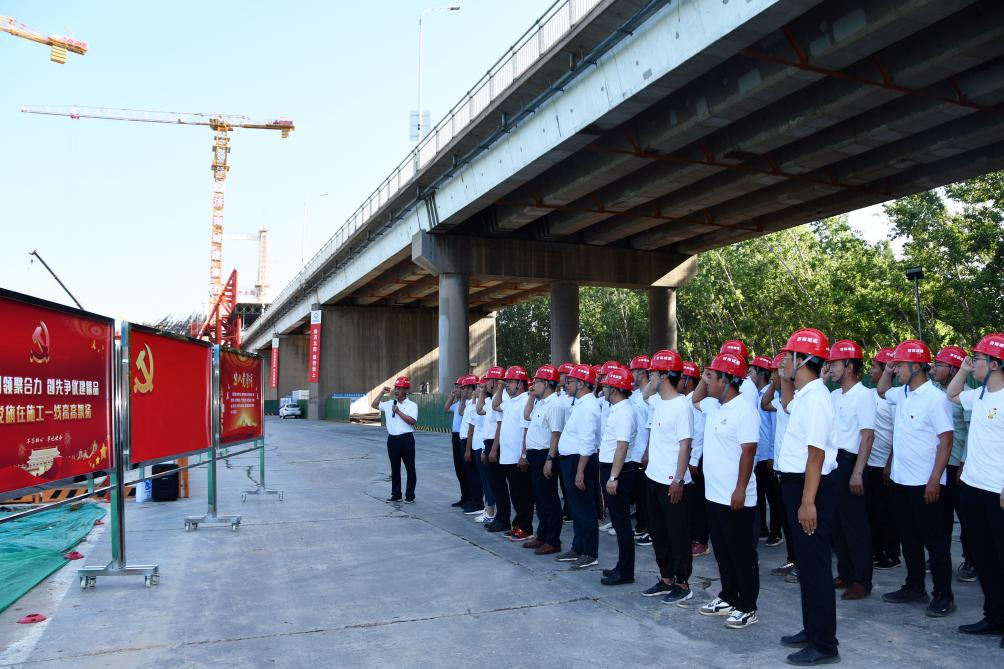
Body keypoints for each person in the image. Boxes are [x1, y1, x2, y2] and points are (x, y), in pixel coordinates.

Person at [775, 327, 840, 666]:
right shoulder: (805, 395)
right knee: (806, 563)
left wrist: (807, 501)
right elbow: (786, 402)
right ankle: (812, 629)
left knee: (815, 567)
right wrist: (784, 377)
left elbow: (816, 455)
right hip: (797, 485)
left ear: (803, 360)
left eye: (789, 356)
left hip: (809, 487)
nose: (784, 361)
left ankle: (824, 644)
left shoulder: (816, 399)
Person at [877, 339, 956, 618]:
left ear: (916, 367)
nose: (896, 369)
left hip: (925, 483)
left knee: (934, 542)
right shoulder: (903, 393)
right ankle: (914, 586)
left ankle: (944, 595)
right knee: (908, 538)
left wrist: (935, 480)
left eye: (900, 365)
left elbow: (946, 441)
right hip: (901, 481)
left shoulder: (936, 399)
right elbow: (881, 390)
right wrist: (888, 369)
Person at [692, 351, 761, 630]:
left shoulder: (745, 410)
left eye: (713, 377)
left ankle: (748, 606)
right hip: (714, 495)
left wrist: (740, 489)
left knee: (741, 553)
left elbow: (749, 451)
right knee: (722, 551)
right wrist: (704, 377)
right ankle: (729, 596)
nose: (708, 383)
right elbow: (695, 400)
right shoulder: (713, 405)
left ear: (727, 380)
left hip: (736, 497)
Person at [947, 333, 1004, 647]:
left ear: (995, 364)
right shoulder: (979, 395)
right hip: (973, 487)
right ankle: (994, 617)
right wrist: (964, 370)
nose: (973, 362)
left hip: (998, 491)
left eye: (978, 359)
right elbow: (952, 394)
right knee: (983, 557)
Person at [641, 349, 695, 605]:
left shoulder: (681, 406)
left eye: (653, 372)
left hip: (673, 481)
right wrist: (654, 382)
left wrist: (679, 479)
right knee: (658, 533)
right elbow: (644, 395)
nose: (649, 376)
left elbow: (685, 445)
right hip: (653, 477)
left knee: (678, 535)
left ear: (664, 376)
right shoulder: (659, 402)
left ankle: (683, 583)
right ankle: (666, 578)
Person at [827, 339, 875, 601]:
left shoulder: (864, 395)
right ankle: (845, 573)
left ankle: (861, 580)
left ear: (849, 366)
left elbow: (867, 436)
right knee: (837, 523)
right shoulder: (834, 395)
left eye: (834, 364)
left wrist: (858, 472)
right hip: (834, 463)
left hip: (851, 463)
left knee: (855, 525)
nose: (830, 368)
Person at [933, 345, 976, 582]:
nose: (934, 369)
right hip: (940, 463)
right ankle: (941, 556)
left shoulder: (965, 396)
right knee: (941, 514)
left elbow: (970, 434)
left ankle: (971, 560)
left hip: (957, 465)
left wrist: (963, 463)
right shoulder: (934, 392)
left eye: (939, 365)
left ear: (953, 369)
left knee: (966, 517)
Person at [556, 363, 603, 569]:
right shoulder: (581, 404)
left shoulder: (588, 407)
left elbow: (588, 442)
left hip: (580, 461)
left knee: (584, 508)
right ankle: (578, 547)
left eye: (571, 381)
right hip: (572, 460)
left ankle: (590, 552)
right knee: (576, 508)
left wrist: (580, 471)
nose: (567, 384)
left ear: (582, 384)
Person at [598, 367, 639, 585]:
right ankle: (621, 566)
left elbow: (622, 446)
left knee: (622, 524)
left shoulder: (624, 412)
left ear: (614, 389)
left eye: (606, 386)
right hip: (613, 468)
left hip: (619, 471)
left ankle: (625, 572)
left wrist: (613, 477)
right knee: (618, 521)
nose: (603, 389)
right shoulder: (618, 409)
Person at [522, 365, 566, 555]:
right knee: (539, 499)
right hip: (535, 455)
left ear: (547, 383)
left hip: (545, 455)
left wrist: (550, 459)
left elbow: (556, 434)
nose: (533, 384)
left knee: (549, 499)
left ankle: (553, 540)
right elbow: (526, 415)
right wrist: (531, 396)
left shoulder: (555, 405)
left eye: (537, 381)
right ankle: (542, 535)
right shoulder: (541, 402)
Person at [761, 353, 798, 578]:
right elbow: (764, 404)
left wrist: (783, 380)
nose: (773, 375)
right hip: (782, 469)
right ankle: (792, 559)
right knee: (787, 520)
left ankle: (801, 564)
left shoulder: (798, 400)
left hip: (796, 471)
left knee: (796, 522)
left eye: (777, 371)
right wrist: (774, 385)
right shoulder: (780, 400)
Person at [490, 366, 535, 541]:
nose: (507, 384)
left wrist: (523, 455)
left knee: (522, 494)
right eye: (506, 382)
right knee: (515, 494)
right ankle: (518, 526)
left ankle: (526, 528)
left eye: (510, 382)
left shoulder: (525, 401)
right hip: (508, 456)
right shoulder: (510, 401)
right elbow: (495, 405)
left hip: (518, 457)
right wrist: (500, 388)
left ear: (520, 384)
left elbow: (526, 430)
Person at [866, 348, 900, 569]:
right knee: (872, 512)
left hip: (884, 465)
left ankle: (891, 554)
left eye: (874, 367)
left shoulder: (894, 399)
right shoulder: (870, 394)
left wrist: (889, 464)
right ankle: (876, 551)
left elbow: (899, 434)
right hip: (869, 463)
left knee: (886, 513)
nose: (871, 371)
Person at [680, 361, 711, 558]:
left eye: (682, 377)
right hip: (690, 456)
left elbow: (698, 432)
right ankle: (693, 536)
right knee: (691, 502)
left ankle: (701, 540)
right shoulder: (685, 400)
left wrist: (693, 459)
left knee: (698, 502)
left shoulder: (695, 401)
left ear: (690, 381)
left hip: (696, 457)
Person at [371, 377, 418, 503]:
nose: (396, 391)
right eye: (396, 388)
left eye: (400, 388)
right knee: (395, 468)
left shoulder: (412, 405)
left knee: (410, 468)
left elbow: (412, 421)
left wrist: (398, 412)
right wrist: (382, 392)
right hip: (392, 440)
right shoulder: (389, 404)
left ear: (406, 390)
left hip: (406, 439)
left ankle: (410, 495)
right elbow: (374, 405)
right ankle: (396, 494)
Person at [750, 355, 778, 543]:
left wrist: (771, 454)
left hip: (767, 454)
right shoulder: (755, 394)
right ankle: (762, 528)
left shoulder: (772, 395)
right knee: (758, 493)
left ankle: (776, 532)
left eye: (751, 371)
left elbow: (775, 427)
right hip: (758, 453)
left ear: (761, 374)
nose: (748, 374)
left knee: (773, 496)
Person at [629, 355, 653, 546]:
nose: (632, 374)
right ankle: (642, 525)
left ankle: (650, 529)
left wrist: (647, 452)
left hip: (645, 452)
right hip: (635, 451)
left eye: (634, 371)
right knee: (639, 495)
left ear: (643, 373)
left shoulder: (651, 396)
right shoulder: (635, 395)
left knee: (647, 496)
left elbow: (651, 427)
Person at [456, 375, 485, 516]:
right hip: (465, 441)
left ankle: (478, 503)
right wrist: (464, 398)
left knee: (474, 475)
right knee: (469, 474)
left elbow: (471, 430)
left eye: (464, 388)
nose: (462, 391)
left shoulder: (476, 406)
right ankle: (473, 500)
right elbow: (461, 412)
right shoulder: (470, 403)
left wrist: (468, 450)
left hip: (470, 441)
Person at [444, 378, 472, 509]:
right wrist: (452, 395)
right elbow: (446, 409)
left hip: (464, 437)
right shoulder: (457, 404)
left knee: (466, 469)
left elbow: (462, 412)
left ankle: (470, 498)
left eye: (459, 387)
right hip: (455, 436)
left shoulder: (467, 404)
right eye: (455, 387)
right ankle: (464, 497)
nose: (456, 389)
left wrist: (462, 398)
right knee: (459, 469)